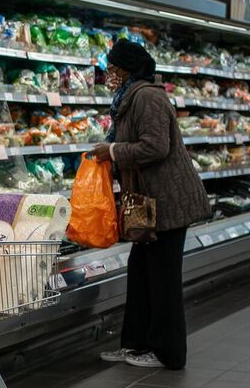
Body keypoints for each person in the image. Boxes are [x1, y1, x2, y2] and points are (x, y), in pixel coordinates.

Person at [90, 38, 210, 370]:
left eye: (114, 69)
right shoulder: (129, 97)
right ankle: (135, 344)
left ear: (128, 69)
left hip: (168, 201)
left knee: (163, 280)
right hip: (146, 202)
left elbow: (156, 147)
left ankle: (168, 353)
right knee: (141, 274)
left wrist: (112, 152)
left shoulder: (148, 97)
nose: (109, 75)